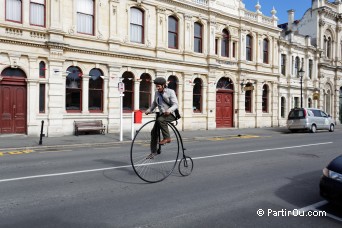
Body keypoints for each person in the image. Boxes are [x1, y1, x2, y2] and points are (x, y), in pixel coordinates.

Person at [145, 77, 179, 157]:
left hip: (171, 114)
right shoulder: (157, 93)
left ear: (164, 85)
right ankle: (153, 152)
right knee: (154, 132)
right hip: (162, 115)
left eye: (159, 86)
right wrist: (149, 110)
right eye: (156, 86)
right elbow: (154, 103)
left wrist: (169, 110)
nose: (157, 88)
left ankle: (167, 138)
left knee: (160, 119)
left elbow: (175, 104)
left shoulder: (170, 92)